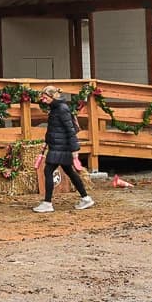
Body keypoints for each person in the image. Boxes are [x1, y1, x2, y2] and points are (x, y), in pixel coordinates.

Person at [33, 85, 95, 214]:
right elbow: (53, 129)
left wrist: (74, 150)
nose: (43, 100)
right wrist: (46, 142)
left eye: (45, 98)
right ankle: (86, 198)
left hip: (61, 147)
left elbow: (70, 130)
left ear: (52, 97)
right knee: (70, 172)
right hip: (57, 145)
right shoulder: (55, 108)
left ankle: (47, 203)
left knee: (48, 171)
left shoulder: (62, 109)